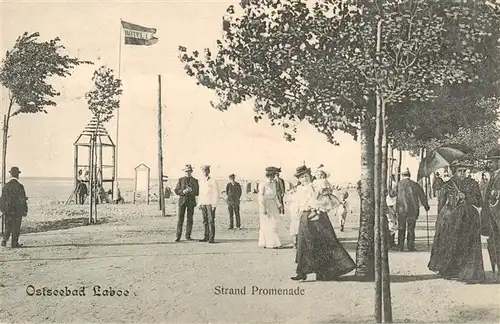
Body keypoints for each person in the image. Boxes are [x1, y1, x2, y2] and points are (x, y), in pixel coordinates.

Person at [290, 165, 355, 281]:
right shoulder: (299, 189)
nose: (304, 179)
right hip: (305, 217)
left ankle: (323, 272)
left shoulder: (316, 186)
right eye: (301, 177)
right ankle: (302, 272)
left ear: (310, 176)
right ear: (299, 179)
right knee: (304, 244)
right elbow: (297, 203)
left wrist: (318, 208)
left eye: (305, 176)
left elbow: (327, 199)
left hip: (319, 217)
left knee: (322, 243)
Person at [428, 160, 485, 284]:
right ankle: (449, 270)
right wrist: (440, 220)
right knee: (450, 243)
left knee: (467, 245)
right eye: (460, 171)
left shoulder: (473, 184)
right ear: (454, 171)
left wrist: (466, 196)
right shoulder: (447, 185)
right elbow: (441, 204)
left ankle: (467, 273)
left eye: (465, 171)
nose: (463, 173)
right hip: (451, 219)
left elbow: (479, 202)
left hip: (469, 219)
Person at [395, 170, 430, 251]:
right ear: (409, 175)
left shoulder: (399, 184)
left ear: (403, 176)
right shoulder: (415, 184)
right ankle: (411, 246)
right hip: (412, 209)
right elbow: (422, 196)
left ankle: (400, 246)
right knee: (411, 228)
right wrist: (426, 206)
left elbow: (392, 194)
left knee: (401, 227)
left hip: (401, 210)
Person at [481, 147, 500, 277]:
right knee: (493, 243)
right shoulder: (493, 175)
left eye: (492, 162)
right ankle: (497, 270)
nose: (489, 164)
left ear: (499, 162)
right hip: (492, 216)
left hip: (498, 215)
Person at [0, 167, 28, 248]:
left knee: (8, 226)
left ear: (11, 174)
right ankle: (14, 243)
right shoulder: (20, 186)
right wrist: (25, 210)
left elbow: (2, 199)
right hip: (17, 210)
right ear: (17, 175)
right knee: (16, 227)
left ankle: (4, 240)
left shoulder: (6, 186)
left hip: (8, 210)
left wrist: (3, 209)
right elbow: (22, 200)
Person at [258, 167, 282, 249]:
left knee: (274, 222)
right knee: (266, 224)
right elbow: (260, 196)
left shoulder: (274, 183)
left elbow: (275, 196)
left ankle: (274, 242)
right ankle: (266, 242)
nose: (272, 178)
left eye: (273, 176)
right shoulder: (263, 184)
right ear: (267, 176)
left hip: (273, 204)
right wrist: (263, 208)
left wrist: (279, 204)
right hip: (266, 204)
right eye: (271, 176)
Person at [174, 165, 199, 242]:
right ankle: (178, 236)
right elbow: (176, 191)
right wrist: (183, 191)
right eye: (186, 171)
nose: (188, 172)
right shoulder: (180, 180)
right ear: (184, 172)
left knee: (190, 219)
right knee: (180, 219)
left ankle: (188, 236)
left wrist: (191, 191)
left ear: (191, 172)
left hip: (191, 202)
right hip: (182, 202)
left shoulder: (195, 180)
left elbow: (197, 192)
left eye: (189, 171)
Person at [198, 165, 219, 243]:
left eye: (206, 171)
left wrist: (214, 205)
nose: (205, 172)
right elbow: (200, 192)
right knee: (205, 221)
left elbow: (216, 193)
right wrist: (199, 203)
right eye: (203, 171)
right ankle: (206, 236)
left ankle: (211, 237)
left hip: (210, 203)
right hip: (203, 203)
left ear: (209, 171)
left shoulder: (213, 181)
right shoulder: (201, 181)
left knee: (211, 220)